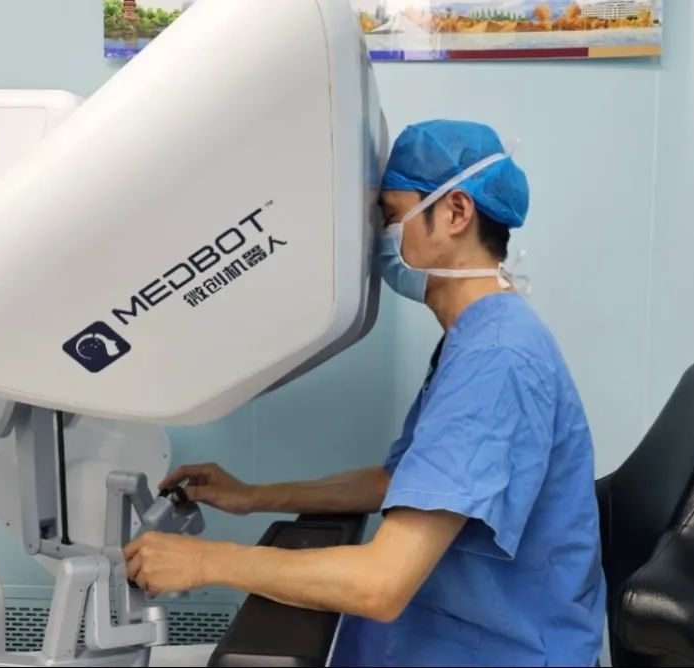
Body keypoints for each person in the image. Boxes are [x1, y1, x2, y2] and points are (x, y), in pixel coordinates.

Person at [125, 120, 606, 666]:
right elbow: (400, 482)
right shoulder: (480, 338)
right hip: (457, 625)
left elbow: (381, 583)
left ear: (455, 212)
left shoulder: (496, 360)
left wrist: (205, 563)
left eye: (390, 216)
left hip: (503, 650)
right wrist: (252, 495)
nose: (380, 238)